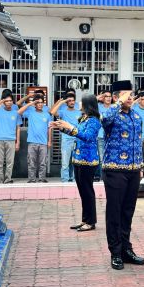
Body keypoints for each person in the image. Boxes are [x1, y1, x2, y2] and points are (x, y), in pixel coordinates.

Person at [101, 81, 144, 269]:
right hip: (115, 170)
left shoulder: (136, 116)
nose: (130, 98)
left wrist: (141, 166)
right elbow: (104, 119)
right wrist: (118, 103)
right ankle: (115, 252)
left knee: (128, 212)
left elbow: (138, 142)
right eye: (126, 95)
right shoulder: (112, 114)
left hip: (133, 171)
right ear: (116, 96)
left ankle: (127, 249)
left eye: (131, 94)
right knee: (114, 212)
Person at [54, 94, 102, 232]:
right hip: (78, 158)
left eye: (81, 102)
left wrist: (69, 126)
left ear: (87, 105)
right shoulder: (83, 119)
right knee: (82, 191)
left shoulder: (94, 121)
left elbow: (87, 137)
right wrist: (61, 127)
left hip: (88, 160)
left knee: (87, 191)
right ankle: (84, 220)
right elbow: (76, 133)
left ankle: (91, 221)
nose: (78, 104)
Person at [0, 93, 23, 183]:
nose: (9, 102)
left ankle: (8, 179)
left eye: (10, 101)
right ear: (3, 102)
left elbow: (18, 128)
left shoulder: (16, 113)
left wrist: (18, 142)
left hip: (11, 140)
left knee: (10, 162)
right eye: (6, 101)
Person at [50, 91, 81, 182]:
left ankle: (75, 180)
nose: (71, 102)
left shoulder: (78, 112)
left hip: (77, 140)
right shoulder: (62, 112)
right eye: (69, 100)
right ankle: (65, 180)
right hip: (66, 140)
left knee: (76, 162)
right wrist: (62, 101)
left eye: (73, 100)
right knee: (65, 163)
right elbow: (52, 112)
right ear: (67, 102)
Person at [19, 93, 49, 182]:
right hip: (32, 141)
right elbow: (19, 111)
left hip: (43, 142)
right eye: (38, 102)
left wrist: (49, 141)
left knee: (43, 163)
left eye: (41, 102)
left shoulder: (47, 114)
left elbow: (49, 128)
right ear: (35, 104)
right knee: (31, 163)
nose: (40, 104)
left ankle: (42, 178)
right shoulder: (30, 112)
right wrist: (30, 103)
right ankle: (32, 179)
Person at [96, 90, 114, 180]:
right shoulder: (98, 107)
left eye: (109, 96)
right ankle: (103, 178)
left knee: (112, 157)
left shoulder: (114, 107)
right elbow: (88, 104)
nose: (108, 98)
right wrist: (99, 96)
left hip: (112, 137)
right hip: (100, 136)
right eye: (106, 96)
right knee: (101, 159)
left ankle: (111, 177)